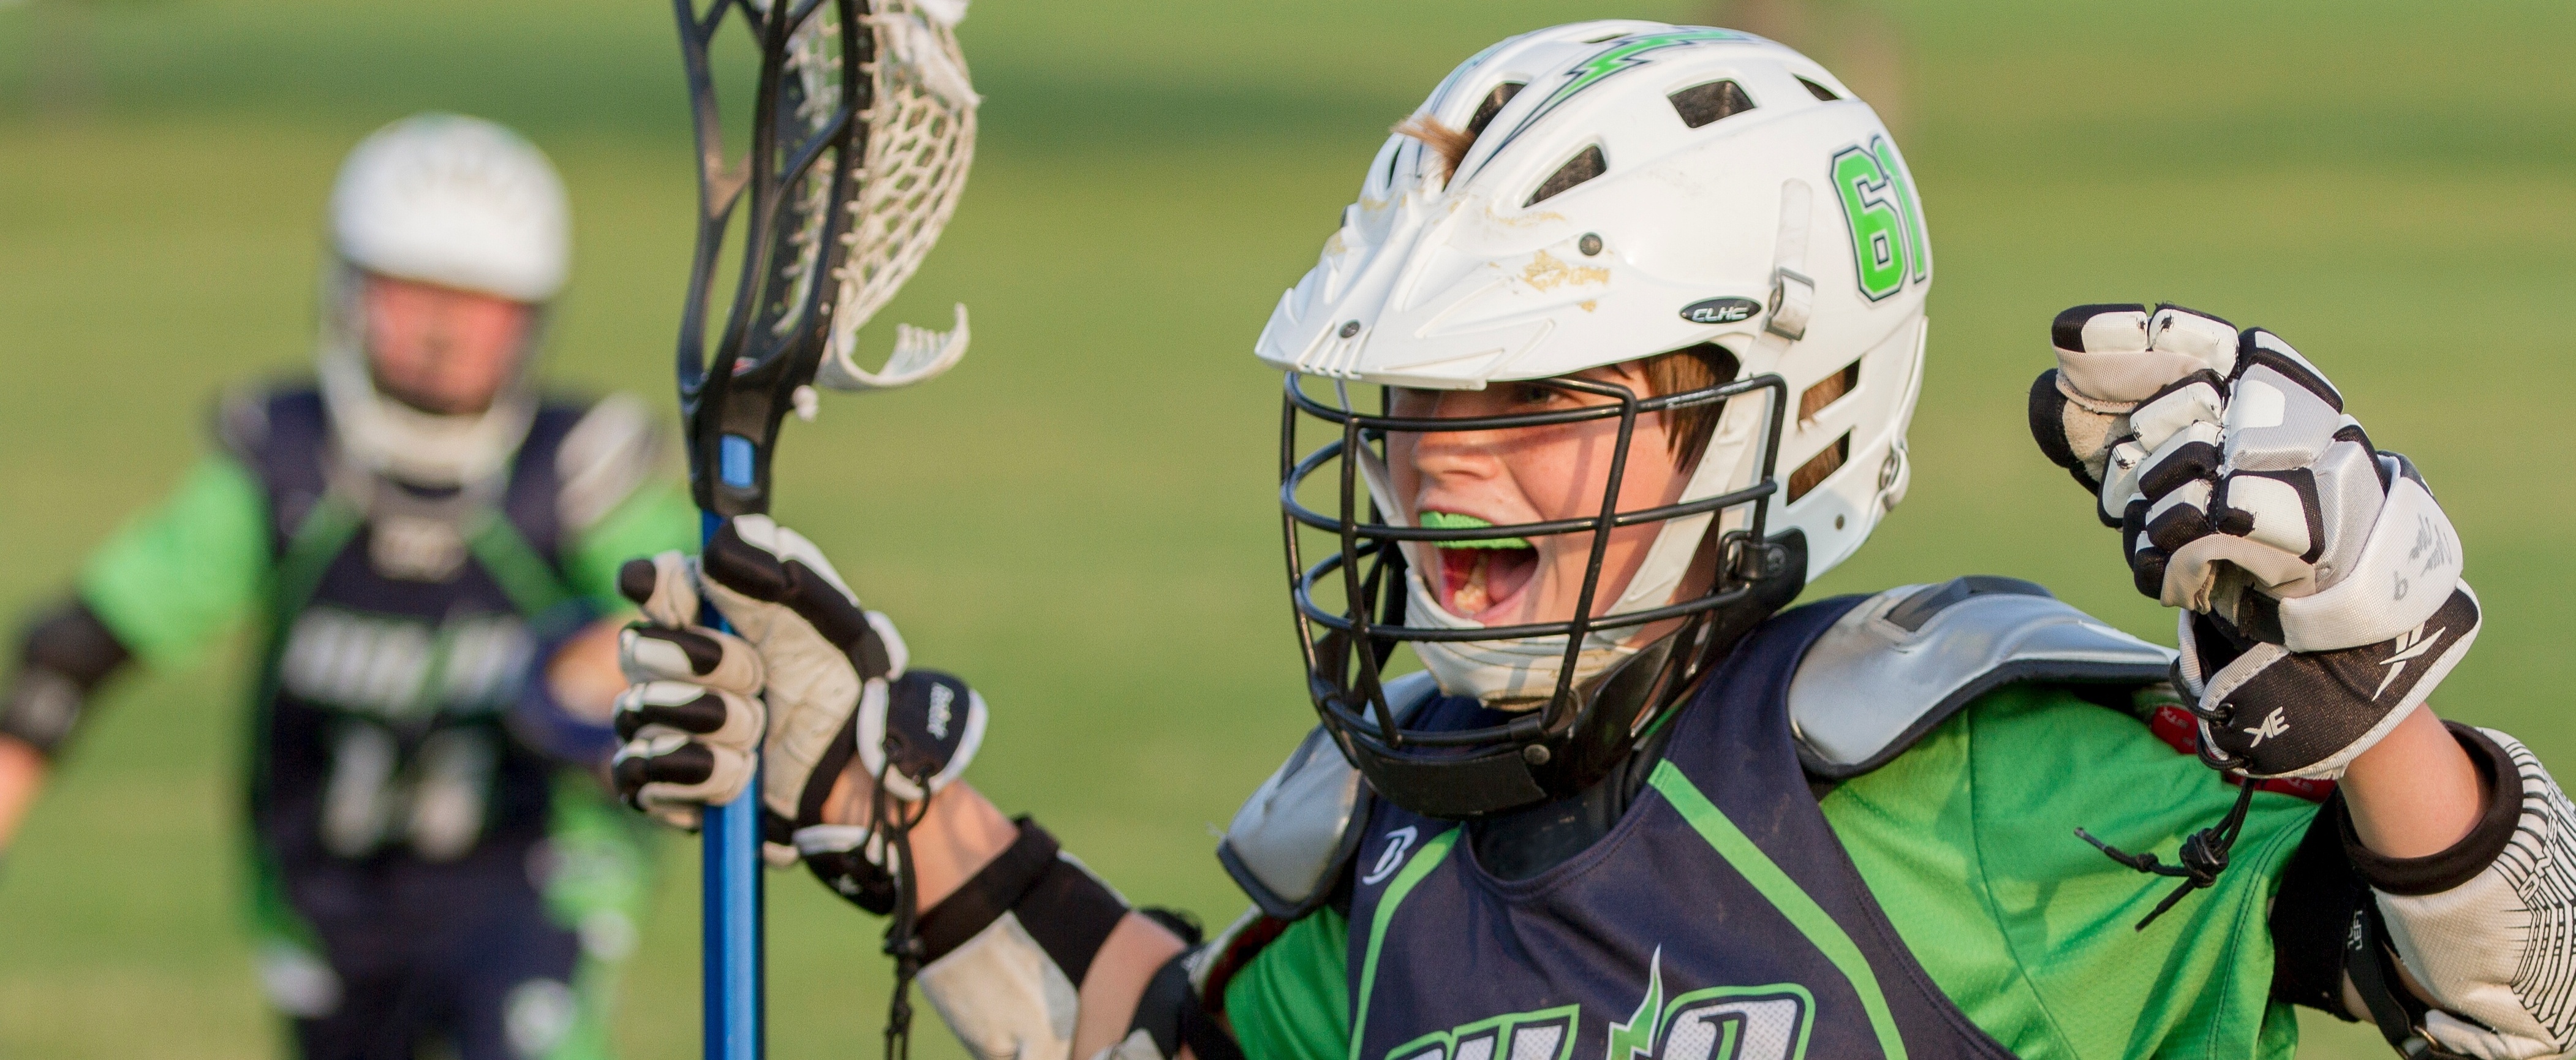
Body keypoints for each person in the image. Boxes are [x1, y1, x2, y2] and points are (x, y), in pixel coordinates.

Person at [606, 23, 2576, 1060]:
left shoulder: (1964, 768)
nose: (1444, 478)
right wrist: (873, 798)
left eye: (1530, 407)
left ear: (1784, 406)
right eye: (1415, 417)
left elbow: (2524, 1003)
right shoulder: (1396, 849)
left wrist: (2369, 715)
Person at [0, 113, 698, 1059]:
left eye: (481, 301)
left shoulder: (574, 478)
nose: (446, 330)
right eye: (411, 291)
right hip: (326, 888)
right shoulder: (283, 474)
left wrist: (619, 664)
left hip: (531, 876)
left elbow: (705, 623)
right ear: (346, 289)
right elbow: (74, 658)